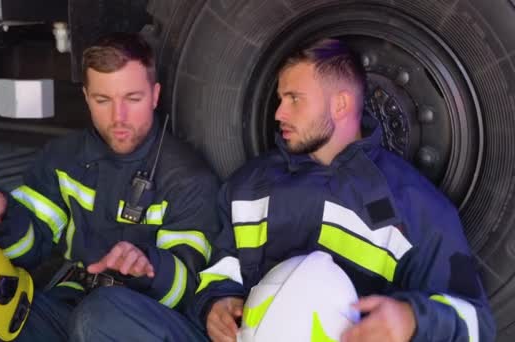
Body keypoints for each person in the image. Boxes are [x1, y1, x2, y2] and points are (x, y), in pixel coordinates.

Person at [189, 39, 495, 342]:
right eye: (281, 99)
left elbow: (477, 326)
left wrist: (413, 320)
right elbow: (219, 269)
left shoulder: (417, 208)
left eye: (294, 99)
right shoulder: (246, 185)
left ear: (341, 104)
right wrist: (215, 304)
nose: (279, 113)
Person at [0, 32, 217, 342]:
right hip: (70, 301)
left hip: (142, 317)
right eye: (103, 100)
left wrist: (148, 266)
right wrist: (4, 214)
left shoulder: (188, 177)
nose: (118, 117)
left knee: (97, 316)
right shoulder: (63, 157)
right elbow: (29, 250)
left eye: (133, 99)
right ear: (86, 97)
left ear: (155, 95)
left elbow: (188, 289)